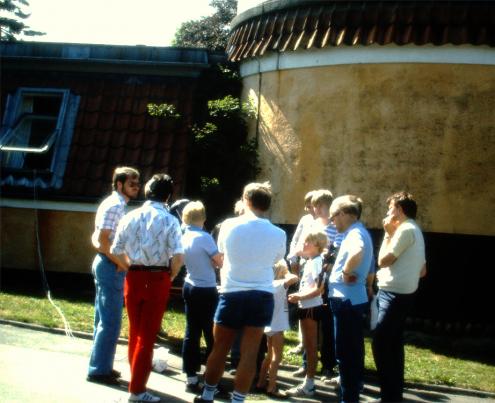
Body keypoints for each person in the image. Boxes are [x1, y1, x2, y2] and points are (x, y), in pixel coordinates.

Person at [195, 182, 286, 403]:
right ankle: (238, 400)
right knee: (250, 352)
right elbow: (276, 260)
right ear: (267, 205)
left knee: (220, 348)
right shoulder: (279, 233)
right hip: (262, 295)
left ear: (246, 199)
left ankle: (207, 395)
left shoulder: (228, 225)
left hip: (232, 292)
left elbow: (222, 253)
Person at [111, 173, 184, 403]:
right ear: (169, 195)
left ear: (147, 191)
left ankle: (135, 383)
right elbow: (178, 256)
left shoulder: (129, 216)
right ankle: (137, 390)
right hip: (157, 277)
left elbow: (114, 249)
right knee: (147, 336)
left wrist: (128, 266)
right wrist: (171, 274)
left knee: (135, 332)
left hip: (133, 276)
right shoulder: (171, 220)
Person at [87, 166, 140, 386]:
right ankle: (99, 370)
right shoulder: (115, 206)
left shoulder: (113, 204)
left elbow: (96, 239)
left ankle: (101, 365)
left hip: (106, 264)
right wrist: (123, 264)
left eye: (137, 184)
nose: (136, 188)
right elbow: (103, 241)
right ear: (119, 184)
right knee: (110, 322)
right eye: (131, 184)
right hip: (109, 267)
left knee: (102, 320)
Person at [372, 191, 426, 402]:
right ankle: (393, 396)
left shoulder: (404, 230)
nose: (387, 212)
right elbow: (422, 271)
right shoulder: (416, 230)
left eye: (390, 208)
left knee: (381, 343)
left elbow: (383, 260)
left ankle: (389, 396)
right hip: (403, 295)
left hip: (393, 295)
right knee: (393, 344)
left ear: (399, 210)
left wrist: (387, 234)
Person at [328, 195, 374, 403]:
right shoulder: (358, 232)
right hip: (351, 301)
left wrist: (346, 271)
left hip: (346, 301)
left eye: (333, 216)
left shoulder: (355, 234)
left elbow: (358, 252)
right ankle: (351, 396)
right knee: (352, 353)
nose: (332, 221)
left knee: (346, 356)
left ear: (344, 214)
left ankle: (349, 399)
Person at [181, 201, 223, 393]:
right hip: (206, 288)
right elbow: (218, 261)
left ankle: (190, 376)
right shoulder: (204, 237)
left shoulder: (184, 236)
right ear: (203, 219)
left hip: (189, 284)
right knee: (211, 334)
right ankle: (212, 378)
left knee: (192, 332)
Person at [287, 229, 328, 397]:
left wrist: (299, 296)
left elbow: (319, 289)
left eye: (307, 242)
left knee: (311, 347)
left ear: (317, 245)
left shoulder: (317, 262)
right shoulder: (312, 260)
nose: (303, 244)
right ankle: (308, 381)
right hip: (306, 306)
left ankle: (309, 384)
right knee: (308, 346)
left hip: (311, 307)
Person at [256, 260, 298, 398]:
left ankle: (261, 382)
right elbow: (294, 278)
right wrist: (287, 273)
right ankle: (272, 386)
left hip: (269, 324)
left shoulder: (267, 285)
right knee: (276, 357)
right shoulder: (280, 284)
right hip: (277, 325)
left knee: (269, 355)